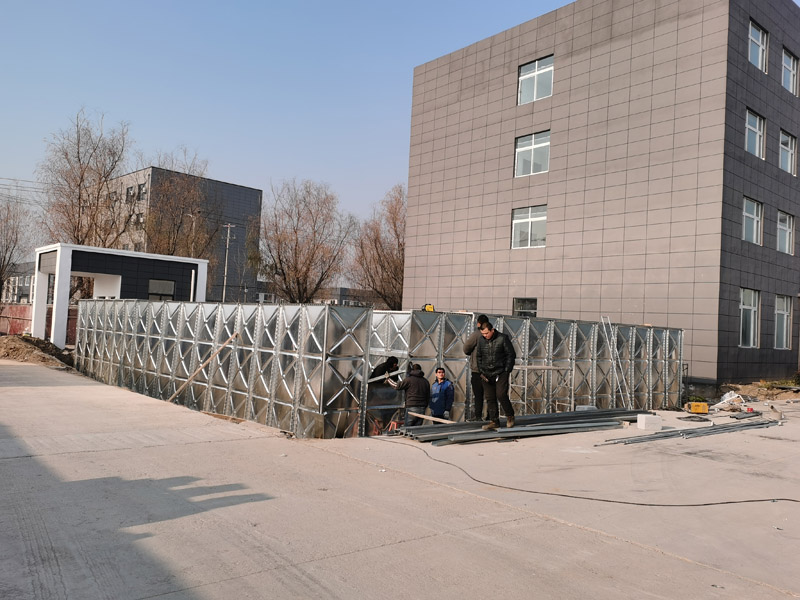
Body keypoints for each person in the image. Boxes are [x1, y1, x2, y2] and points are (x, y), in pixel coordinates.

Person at [476, 322, 516, 430]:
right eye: (483, 334)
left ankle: (510, 416)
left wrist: (507, 370)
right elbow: (478, 356)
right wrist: (481, 370)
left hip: (501, 372)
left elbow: (511, 355)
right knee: (490, 397)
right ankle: (494, 421)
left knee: (501, 394)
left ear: (492, 330)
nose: (485, 336)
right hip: (486, 373)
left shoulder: (502, 338)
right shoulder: (481, 340)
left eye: (486, 333)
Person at [462, 314, 489, 421]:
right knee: (490, 395)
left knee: (478, 395)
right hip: (490, 370)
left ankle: (478, 416)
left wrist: (471, 353)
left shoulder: (477, 334)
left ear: (478, 323)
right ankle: (490, 416)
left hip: (477, 370)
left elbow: (466, 348)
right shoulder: (493, 334)